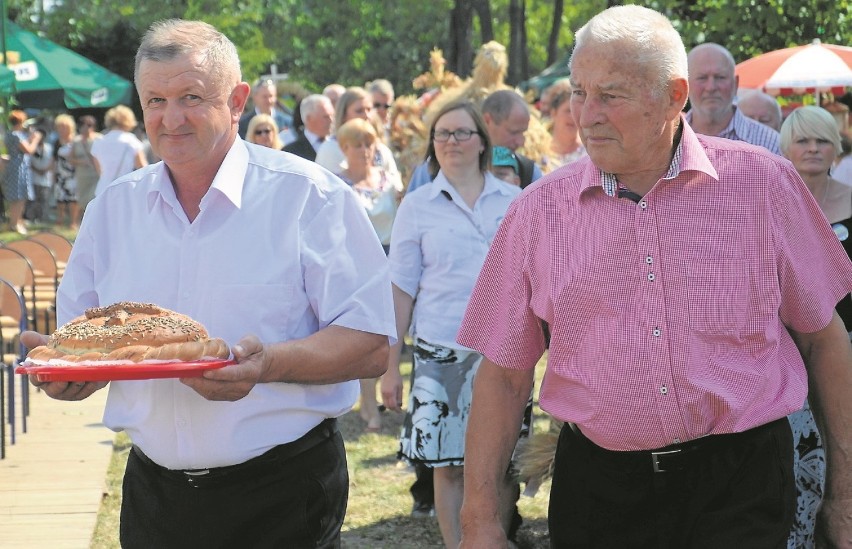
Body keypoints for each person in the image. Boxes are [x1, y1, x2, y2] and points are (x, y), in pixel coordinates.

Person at [456, 5, 852, 548]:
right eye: (578, 91)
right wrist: (479, 522)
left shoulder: (765, 186)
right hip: (601, 491)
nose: (586, 114)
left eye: (610, 95)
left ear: (673, 95)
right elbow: (502, 375)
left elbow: (824, 339)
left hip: (740, 480)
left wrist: (846, 495)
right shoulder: (537, 213)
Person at [22, 19, 395, 548]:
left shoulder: (308, 197)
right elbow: (87, 340)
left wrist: (269, 365)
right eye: (155, 100)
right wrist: (69, 372)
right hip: (155, 498)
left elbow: (369, 344)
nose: (171, 118)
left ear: (238, 100)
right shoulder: (112, 210)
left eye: (191, 97)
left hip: (282, 492)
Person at [381, 100, 521, 548]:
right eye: (442, 134)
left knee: (499, 463)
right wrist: (389, 367)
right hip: (440, 352)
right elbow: (401, 289)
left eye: (462, 133)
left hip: (504, 352)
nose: (451, 142)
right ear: (432, 145)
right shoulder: (417, 207)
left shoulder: (516, 203)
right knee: (449, 464)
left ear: (482, 142)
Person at [779, 105, 848, 549]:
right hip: (789, 346)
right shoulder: (776, 201)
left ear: (835, 147)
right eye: (803, 140)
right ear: (787, 147)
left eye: (822, 139)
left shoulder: (851, 198)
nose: (812, 148)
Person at [336, 118, 403, 433]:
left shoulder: (390, 180)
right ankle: (367, 402)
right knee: (367, 335)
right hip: (357, 267)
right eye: (356, 144)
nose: (364, 151)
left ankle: (389, 390)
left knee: (392, 334)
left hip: (393, 263)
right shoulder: (337, 184)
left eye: (368, 143)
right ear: (343, 148)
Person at [407, 89, 543, 193]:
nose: (521, 142)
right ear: (487, 121)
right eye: (513, 132)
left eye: (523, 132)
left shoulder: (528, 173)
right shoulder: (433, 170)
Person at [686, 43, 781, 154]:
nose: (711, 87)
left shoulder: (770, 143)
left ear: (735, 84)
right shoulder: (668, 140)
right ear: (686, 85)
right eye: (702, 78)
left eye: (720, 77)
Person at [315, 86, 398, 175]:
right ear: (343, 116)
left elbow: (395, 185)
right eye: (359, 111)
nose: (367, 116)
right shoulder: (330, 149)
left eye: (369, 109)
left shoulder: (381, 149)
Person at [91, 105, 148, 196]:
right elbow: (143, 168)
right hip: (125, 189)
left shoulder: (99, 141)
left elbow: (99, 170)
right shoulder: (131, 140)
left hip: (103, 189)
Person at [4, 110, 42, 234]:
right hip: (18, 168)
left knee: (18, 196)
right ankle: (14, 224)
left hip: (16, 167)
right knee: (19, 197)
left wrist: (30, 137)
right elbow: (29, 150)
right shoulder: (17, 135)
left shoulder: (11, 134)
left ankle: (16, 221)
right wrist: (35, 139)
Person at [545, 78, 586, 168]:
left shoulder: (589, 154)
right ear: (553, 112)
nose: (573, 116)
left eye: (578, 111)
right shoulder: (540, 153)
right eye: (568, 111)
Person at [283, 94, 334, 161]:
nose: (331, 120)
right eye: (325, 117)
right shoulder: (290, 153)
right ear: (309, 119)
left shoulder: (340, 145)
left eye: (332, 115)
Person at [70, 115, 103, 221]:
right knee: (83, 200)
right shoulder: (76, 141)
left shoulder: (99, 138)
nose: (86, 128)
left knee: (93, 198)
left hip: (97, 174)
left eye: (89, 125)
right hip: (82, 175)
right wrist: (82, 161)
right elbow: (71, 159)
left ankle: (93, 220)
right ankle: (81, 221)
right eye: (83, 125)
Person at [52, 114, 79, 229]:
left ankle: (73, 221)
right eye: (60, 127)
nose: (62, 129)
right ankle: (60, 219)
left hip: (73, 173)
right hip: (60, 173)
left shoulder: (76, 141)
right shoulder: (57, 142)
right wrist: (53, 173)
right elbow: (54, 159)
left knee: (73, 198)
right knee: (60, 197)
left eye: (64, 126)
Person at [27, 126, 53, 224]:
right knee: (33, 199)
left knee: (44, 199)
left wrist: (45, 170)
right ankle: (31, 217)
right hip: (34, 177)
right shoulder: (32, 147)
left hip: (46, 178)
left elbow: (52, 161)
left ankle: (42, 217)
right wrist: (37, 170)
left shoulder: (49, 148)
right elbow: (29, 161)